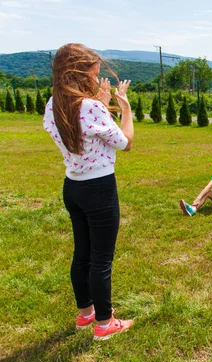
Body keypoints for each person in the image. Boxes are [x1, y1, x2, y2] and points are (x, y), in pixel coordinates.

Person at [43, 43, 134, 340]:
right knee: (101, 259)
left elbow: (82, 128)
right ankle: (105, 325)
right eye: (94, 74)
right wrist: (125, 109)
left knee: (81, 253)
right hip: (99, 188)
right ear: (80, 74)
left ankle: (87, 315)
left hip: (73, 187)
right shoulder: (91, 108)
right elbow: (125, 142)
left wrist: (99, 102)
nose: (96, 80)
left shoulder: (53, 104)